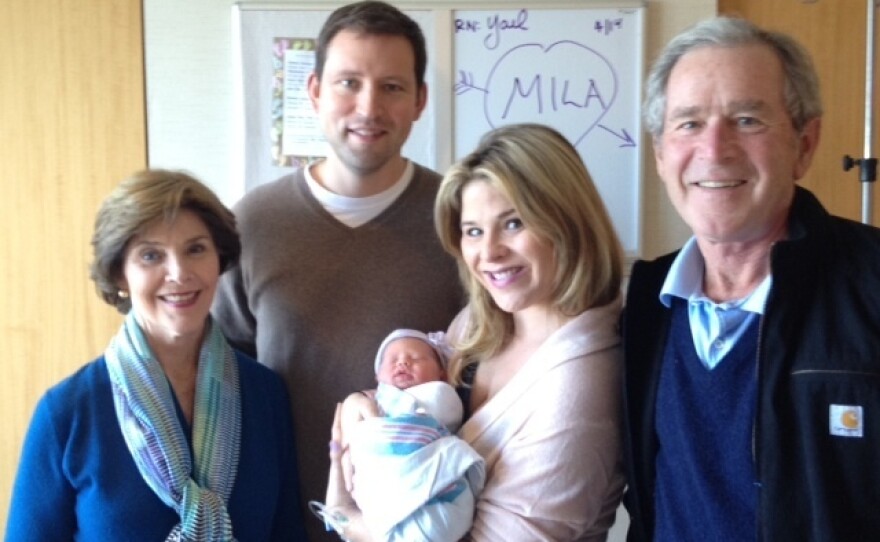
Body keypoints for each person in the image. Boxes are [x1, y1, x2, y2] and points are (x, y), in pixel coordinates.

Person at [621, 16, 880, 542]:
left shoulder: (871, 284)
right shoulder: (646, 302)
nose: (715, 150)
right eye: (689, 123)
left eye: (747, 120)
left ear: (805, 144)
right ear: (660, 154)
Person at [211, 3, 463, 538]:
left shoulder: (462, 220)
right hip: (279, 524)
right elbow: (220, 383)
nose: (368, 107)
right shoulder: (251, 224)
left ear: (419, 100)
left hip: (421, 528)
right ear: (315, 91)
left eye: (392, 87)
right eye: (349, 82)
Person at [326, 122, 627, 540]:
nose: (489, 253)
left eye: (514, 223)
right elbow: (402, 405)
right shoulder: (478, 325)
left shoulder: (580, 385)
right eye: (473, 231)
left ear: (567, 220)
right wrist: (367, 400)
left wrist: (348, 518)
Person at [5, 170, 307, 541]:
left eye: (195, 249)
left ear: (219, 259)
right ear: (120, 275)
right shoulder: (67, 412)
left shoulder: (264, 394)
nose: (179, 273)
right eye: (151, 256)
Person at [314, 328, 485, 542]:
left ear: (443, 373)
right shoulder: (371, 400)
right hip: (379, 487)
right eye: (392, 359)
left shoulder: (442, 395)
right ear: (377, 377)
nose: (402, 363)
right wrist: (357, 402)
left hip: (435, 489)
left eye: (416, 358)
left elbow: (445, 413)